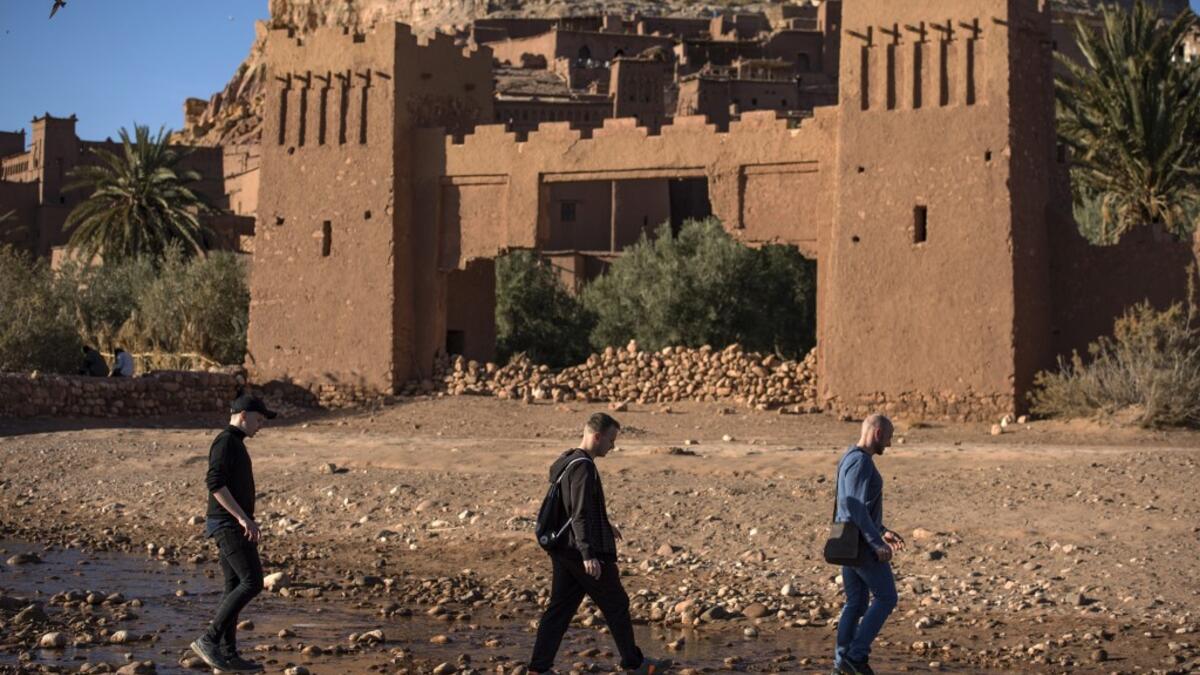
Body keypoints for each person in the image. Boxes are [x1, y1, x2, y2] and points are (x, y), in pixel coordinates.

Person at [529, 413, 671, 675]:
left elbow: (573, 506)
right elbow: (578, 513)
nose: (612, 446)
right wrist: (588, 554)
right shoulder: (583, 467)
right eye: (611, 440)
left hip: (563, 548)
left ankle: (538, 668)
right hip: (579, 550)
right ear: (597, 436)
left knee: (559, 609)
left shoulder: (568, 460)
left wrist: (604, 523)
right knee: (616, 603)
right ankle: (635, 664)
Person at [190, 394, 277, 673]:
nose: (261, 425)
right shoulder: (226, 441)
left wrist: (245, 518)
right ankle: (209, 640)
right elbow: (214, 483)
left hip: (231, 523)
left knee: (234, 586)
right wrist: (242, 518)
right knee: (252, 582)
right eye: (259, 418)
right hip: (227, 524)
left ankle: (228, 654)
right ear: (243, 415)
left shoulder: (235, 443)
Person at [832, 414, 907, 675]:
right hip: (860, 544)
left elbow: (856, 506)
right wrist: (876, 542)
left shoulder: (849, 458)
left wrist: (882, 531)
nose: (890, 443)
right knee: (887, 597)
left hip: (849, 541)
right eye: (889, 437)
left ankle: (842, 663)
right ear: (877, 434)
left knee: (856, 602)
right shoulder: (861, 462)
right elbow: (853, 506)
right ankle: (855, 656)